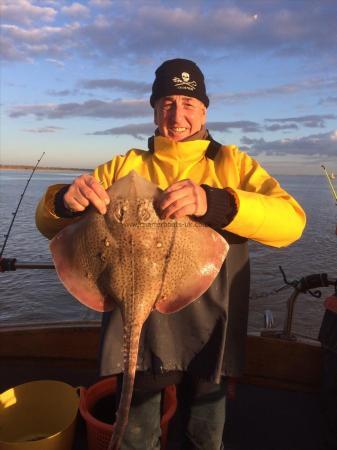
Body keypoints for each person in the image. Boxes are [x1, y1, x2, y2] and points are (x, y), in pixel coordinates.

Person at [36, 58, 306, 450]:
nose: (177, 115)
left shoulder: (232, 164)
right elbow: (50, 227)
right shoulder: (125, 166)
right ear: (154, 108)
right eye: (167, 103)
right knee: (136, 433)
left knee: (205, 431)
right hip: (141, 327)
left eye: (188, 103)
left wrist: (219, 203)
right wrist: (62, 201)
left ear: (204, 109)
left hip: (211, 327)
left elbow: (292, 223)